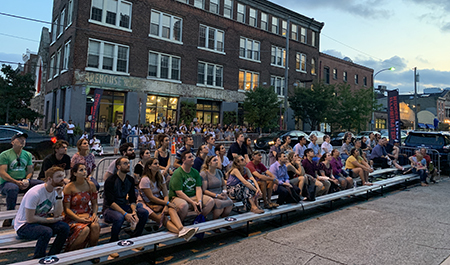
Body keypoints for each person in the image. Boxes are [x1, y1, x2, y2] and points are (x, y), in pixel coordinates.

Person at [14, 166, 70, 259]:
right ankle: (38, 258)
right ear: (49, 179)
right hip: (24, 225)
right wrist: (51, 220)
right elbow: (30, 219)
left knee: (64, 228)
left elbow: (57, 214)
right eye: (59, 177)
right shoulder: (35, 193)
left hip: (40, 221)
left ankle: (53, 256)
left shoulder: (58, 191)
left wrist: (59, 196)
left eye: (63, 176)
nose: (62, 179)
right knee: (46, 232)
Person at [138, 158, 198, 241]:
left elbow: (166, 194)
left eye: (158, 163)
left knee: (171, 208)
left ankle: (181, 229)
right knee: (162, 218)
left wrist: (166, 204)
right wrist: (166, 203)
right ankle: (181, 232)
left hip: (159, 201)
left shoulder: (160, 176)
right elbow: (151, 197)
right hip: (147, 203)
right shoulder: (145, 179)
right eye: (155, 164)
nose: (158, 165)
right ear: (149, 166)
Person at [103, 157, 149, 259]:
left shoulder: (130, 179)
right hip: (109, 209)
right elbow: (110, 202)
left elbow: (132, 198)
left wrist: (133, 211)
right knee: (119, 217)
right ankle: (113, 244)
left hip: (124, 206)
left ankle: (135, 237)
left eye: (128, 163)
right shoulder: (110, 180)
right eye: (125, 163)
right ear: (118, 167)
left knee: (143, 212)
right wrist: (125, 214)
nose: (128, 165)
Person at [0, 132, 44, 227]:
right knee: (12, 189)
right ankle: (9, 216)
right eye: (19, 139)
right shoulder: (5, 155)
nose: (22, 141)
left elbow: (30, 171)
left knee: (41, 185)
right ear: (12, 142)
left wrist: (27, 180)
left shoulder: (27, 154)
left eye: (24, 139)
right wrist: (15, 181)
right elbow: (3, 173)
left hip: (22, 180)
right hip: (8, 182)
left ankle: (36, 212)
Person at [63, 163, 100, 252]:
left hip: (87, 214)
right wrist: (79, 219)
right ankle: (71, 252)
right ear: (75, 173)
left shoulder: (91, 185)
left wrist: (95, 214)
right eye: (81, 170)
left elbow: (95, 203)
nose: (84, 172)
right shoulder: (69, 187)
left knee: (95, 226)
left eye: (85, 169)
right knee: (85, 229)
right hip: (72, 216)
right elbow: (66, 209)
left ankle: (92, 251)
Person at [169, 150, 214, 221]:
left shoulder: (195, 172)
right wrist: (192, 202)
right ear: (183, 160)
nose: (192, 158)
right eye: (189, 157)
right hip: (177, 197)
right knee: (183, 205)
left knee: (210, 201)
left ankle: (198, 219)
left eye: (192, 157)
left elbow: (198, 188)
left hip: (192, 196)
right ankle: (180, 224)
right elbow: (178, 192)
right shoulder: (178, 173)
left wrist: (199, 201)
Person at [200, 156, 233, 233]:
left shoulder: (219, 172)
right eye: (214, 160)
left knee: (230, 202)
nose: (217, 162)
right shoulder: (204, 174)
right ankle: (215, 223)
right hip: (211, 194)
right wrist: (216, 196)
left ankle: (224, 221)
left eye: (217, 160)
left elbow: (223, 185)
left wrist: (224, 192)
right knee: (220, 204)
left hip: (220, 193)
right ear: (209, 163)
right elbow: (204, 190)